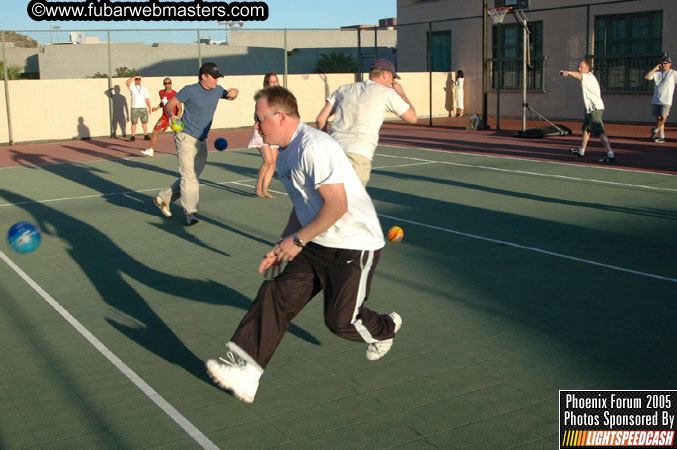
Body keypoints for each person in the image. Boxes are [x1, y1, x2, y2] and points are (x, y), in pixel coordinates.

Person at [205, 86, 401, 403]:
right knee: (275, 293)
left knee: (340, 322)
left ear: (280, 117)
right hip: (316, 241)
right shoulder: (285, 155)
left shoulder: (315, 147)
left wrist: (297, 240)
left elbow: (337, 205)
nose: (255, 126)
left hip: (354, 244)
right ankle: (247, 374)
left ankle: (386, 327)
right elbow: (303, 205)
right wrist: (283, 243)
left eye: (259, 119)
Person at [153, 63, 239, 226]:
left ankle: (163, 198)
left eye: (218, 77)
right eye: (214, 77)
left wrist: (235, 92)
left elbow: (229, 95)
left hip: (201, 140)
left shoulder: (217, 89)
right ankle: (190, 213)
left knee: (192, 177)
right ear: (204, 77)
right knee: (189, 177)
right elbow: (170, 105)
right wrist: (172, 115)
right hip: (185, 136)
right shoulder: (189, 90)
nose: (216, 80)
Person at [316, 58, 417, 186]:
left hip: (334, 150)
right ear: (386, 75)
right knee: (353, 201)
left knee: (330, 199)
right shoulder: (387, 93)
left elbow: (321, 118)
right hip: (358, 152)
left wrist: (326, 142)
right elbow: (412, 118)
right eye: (393, 78)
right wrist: (402, 94)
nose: (393, 82)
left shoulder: (344, 89)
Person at [560, 59, 616, 163]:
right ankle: (581, 151)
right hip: (590, 110)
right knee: (586, 130)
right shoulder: (587, 77)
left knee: (600, 132)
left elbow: (579, 76)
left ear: (587, 68)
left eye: (581, 67)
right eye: (578, 67)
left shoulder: (588, 76)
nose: (579, 69)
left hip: (595, 109)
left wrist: (568, 73)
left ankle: (610, 153)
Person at [248, 73, 280, 197]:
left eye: (276, 81)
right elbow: (257, 114)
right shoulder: (263, 97)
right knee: (268, 161)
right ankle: (257, 188)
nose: (275, 83)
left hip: (273, 132)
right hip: (261, 131)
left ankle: (265, 189)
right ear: (267, 83)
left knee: (273, 163)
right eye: (272, 81)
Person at [142, 78, 183, 157]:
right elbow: (163, 102)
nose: (167, 85)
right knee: (155, 131)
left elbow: (180, 109)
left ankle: (182, 151)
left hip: (173, 118)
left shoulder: (175, 94)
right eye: (165, 83)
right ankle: (151, 150)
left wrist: (177, 119)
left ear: (171, 83)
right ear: (163, 84)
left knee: (179, 135)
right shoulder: (161, 92)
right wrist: (157, 108)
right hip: (164, 117)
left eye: (169, 83)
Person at [644, 56, 677, 143]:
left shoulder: (673, 73)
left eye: (666, 63)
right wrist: (655, 68)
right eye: (662, 63)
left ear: (670, 64)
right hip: (656, 99)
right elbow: (647, 77)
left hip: (666, 100)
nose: (664, 64)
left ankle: (655, 131)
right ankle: (661, 135)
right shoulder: (657, 73)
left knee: (663, 118)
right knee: (658, 118)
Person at [125, 75, 152, 142]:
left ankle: (146, 135)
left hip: (143, 107)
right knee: (134, 123)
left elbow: (147, 98)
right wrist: (134, 77)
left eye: (139, 79)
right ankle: (133, 136)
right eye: (136, 79)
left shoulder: (144, 88)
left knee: (144, 122)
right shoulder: (132, 87)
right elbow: (127, 82)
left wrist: (149, 107)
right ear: (135, 80)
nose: (138, 80)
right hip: (134, 107)